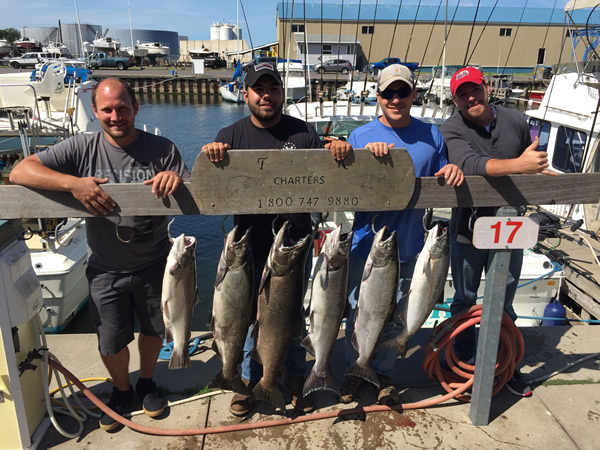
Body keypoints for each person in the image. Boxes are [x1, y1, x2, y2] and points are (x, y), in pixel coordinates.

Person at [9, 78, 191, 431]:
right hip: (105, 267)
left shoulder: (163, 148)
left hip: (156, 264)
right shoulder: (80, 149)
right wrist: (73, 183)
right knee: (110, 339)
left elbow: (186, 184)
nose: (115, 115)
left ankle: (147, 382)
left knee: (155, 329)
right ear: (95, 112)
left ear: (136, 108)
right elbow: (20, 171)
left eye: (123, 107)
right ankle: (121, 390)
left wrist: (174, 177)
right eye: (106, 109)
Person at [202, 62, 350, 416]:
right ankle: (251, 382)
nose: (266, 95)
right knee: (247, 318)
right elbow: (212, 184)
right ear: (246, 93)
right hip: (247, 251)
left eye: (273, 88)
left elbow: (328, 174)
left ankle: (298, 379)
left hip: (293, 248)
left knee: (290, 318)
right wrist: (211, 154)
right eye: (259, 89)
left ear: (282, 93)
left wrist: (338, 150)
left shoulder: (303, 134)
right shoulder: (230, 134)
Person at [327, 64, 464, 406]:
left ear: (413, 95)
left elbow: (441, 178)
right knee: (359, 312)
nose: (396, 99)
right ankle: (354, 370)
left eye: (402, 92)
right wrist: (354, 156)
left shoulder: (432, 136)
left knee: (397, 313)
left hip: (413, 246)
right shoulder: (359, 136)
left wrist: (449, 169)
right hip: (365, 245)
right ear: (378, 97)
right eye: (388, 93)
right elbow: (343, 184)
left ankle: (384, 372)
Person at [440, 66, 555, 397]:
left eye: (474, 89)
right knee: (463, 299)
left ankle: (507, 365)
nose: (470, 97)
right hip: (467, 230)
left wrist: (535, 172)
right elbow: (470, 165)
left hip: (511, 229)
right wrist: (520, 166)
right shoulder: (452, 126)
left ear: (487, 87)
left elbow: (530, 161)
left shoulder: (517, 121)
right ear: (455, 99)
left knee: (504, 300)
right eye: (462, 94)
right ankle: (462, 358)